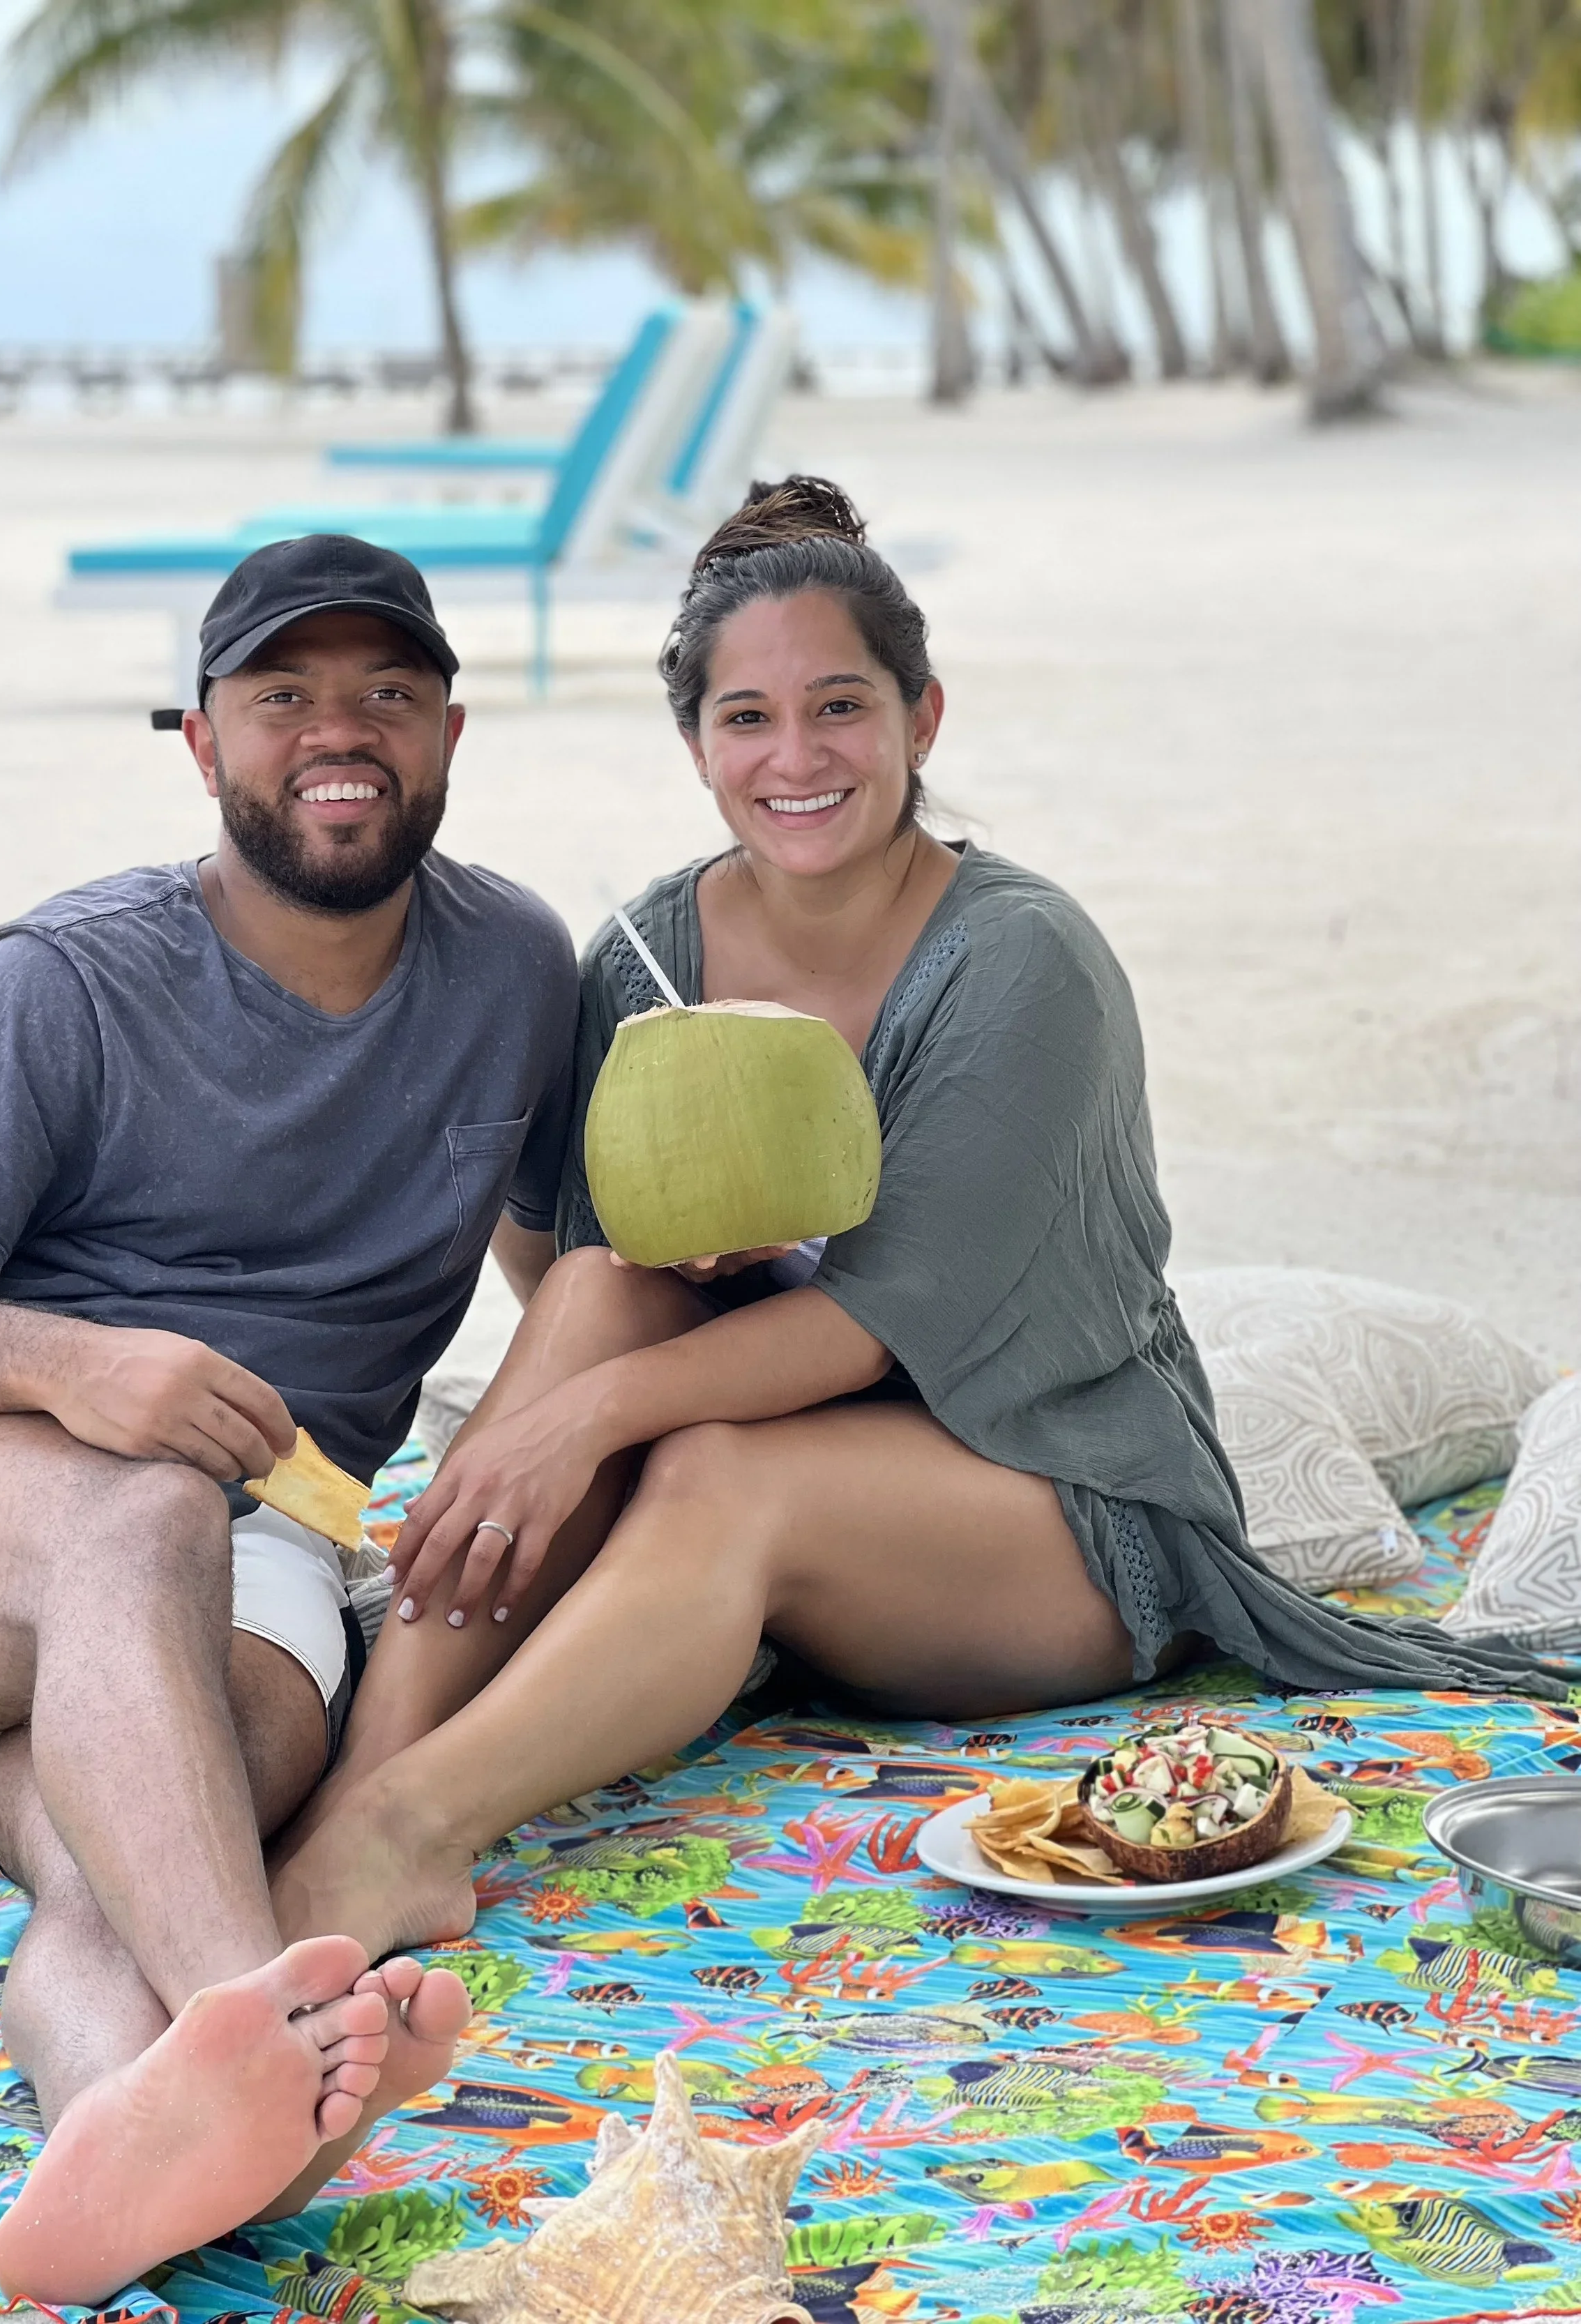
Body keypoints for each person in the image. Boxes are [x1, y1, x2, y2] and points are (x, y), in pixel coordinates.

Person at [269, 476, 1566, 1966]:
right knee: (592, 1305)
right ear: (695, 744)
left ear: (920, 718)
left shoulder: (1020, 962)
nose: (794, 756)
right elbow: (567, 1255)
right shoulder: (649, 954)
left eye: (838, 706)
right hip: (794, 1471)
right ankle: (363, 1772)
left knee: (704, 1466)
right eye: (745, 718)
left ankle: (405, 1832)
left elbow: (884, 1314)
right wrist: (634, 1295)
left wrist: (583, 1421)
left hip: (1047, 1502)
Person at [0, 535, 579, 2302]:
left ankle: (164, 2140)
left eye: (386, 693)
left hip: (254, 1554)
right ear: (201, 740)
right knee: (142, 1513)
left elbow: (568, 1266)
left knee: (124, 1860)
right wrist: (76, 1368)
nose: (341, 731)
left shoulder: (513, 973)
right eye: (284, 696)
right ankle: (289, 2030)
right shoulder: (65, 983)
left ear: (451, 732)